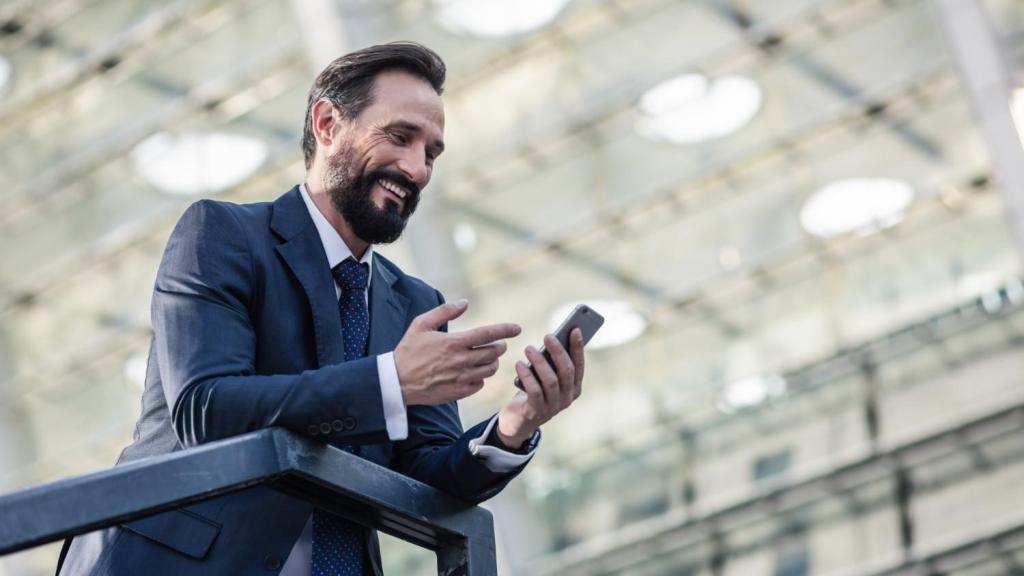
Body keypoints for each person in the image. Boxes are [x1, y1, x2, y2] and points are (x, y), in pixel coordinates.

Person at [57, 42, 585, 576]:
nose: (417, 168)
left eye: (431, 152)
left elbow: (429, 479)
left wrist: (512, 427)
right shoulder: (223, 235)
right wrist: (390, 382)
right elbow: (205, 408)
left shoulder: (416, 304)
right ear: (329, 123)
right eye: (400, 137)